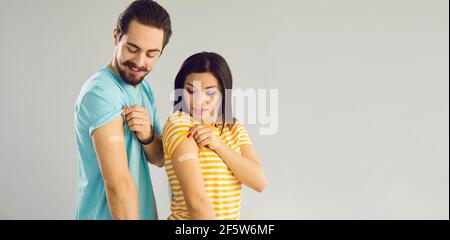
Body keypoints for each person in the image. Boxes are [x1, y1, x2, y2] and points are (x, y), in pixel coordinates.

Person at [74, 0, 172, 220]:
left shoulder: (143, 88)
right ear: (116, 36)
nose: (139, 61)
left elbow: (159, 158)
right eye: (133, 48)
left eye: (151, 53)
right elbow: (119, 185)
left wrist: (147, 137)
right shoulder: (101, 93)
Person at [162, 52, 267, 220]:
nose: (198, 101)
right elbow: (197, 203)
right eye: (191, 91)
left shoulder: (233, 128)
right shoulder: (179, 124)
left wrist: (218, 145)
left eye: (210, 93)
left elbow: (259, 181)